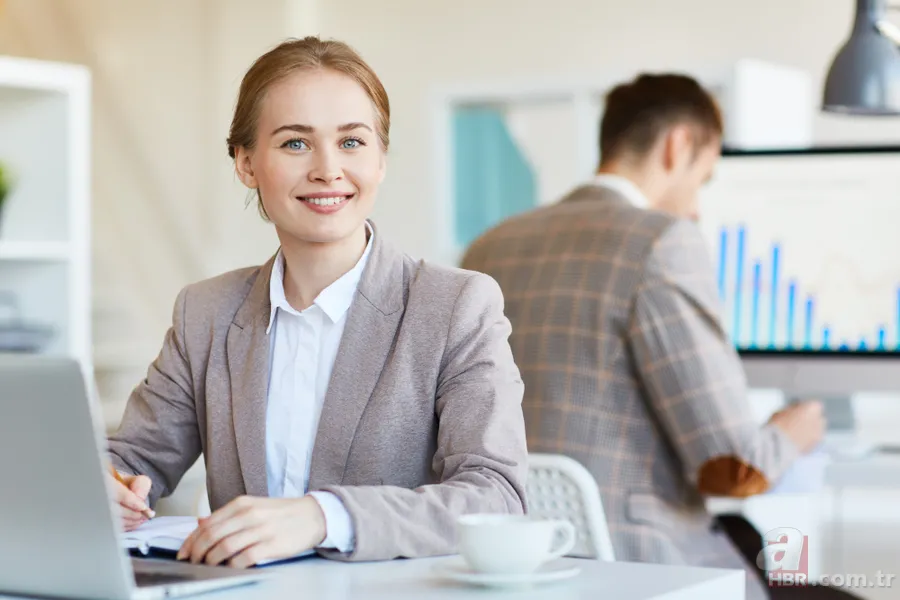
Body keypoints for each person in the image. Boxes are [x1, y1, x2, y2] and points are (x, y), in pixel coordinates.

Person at [105, 36, 528, 568]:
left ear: (381, 160)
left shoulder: (456, 306)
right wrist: (103, 484)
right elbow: (131, 458)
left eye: (352, 142)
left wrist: (323, 516)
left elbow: (498, 496)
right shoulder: (205, 312)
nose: (328, 169)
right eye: (295, 143)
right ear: (245, 163)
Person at [460, 74, 849, 600]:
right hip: (642, 566)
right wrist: (792, 434)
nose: (696, 208)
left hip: (523, 565)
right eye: (704, 179)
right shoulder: (663, 242)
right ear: (678, 145)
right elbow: (733, 468)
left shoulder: (488, 248)